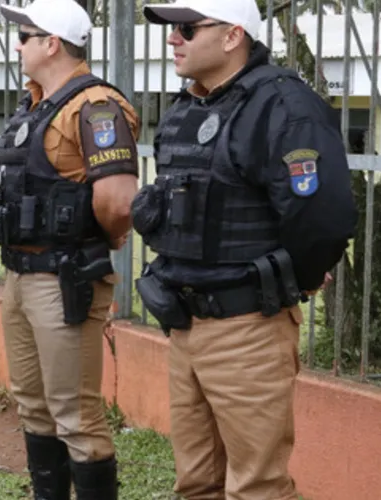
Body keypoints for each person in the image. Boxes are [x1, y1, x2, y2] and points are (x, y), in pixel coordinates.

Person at [134, 1, 358, 499]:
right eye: (174, 30)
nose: (174, 39)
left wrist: (297, 277)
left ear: (233, 35)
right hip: (185, 325)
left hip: (246, 328)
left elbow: (322, 217)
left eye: (188, 29)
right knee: (197, 483)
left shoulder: (283, 105)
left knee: (257, 488)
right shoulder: (188, 107)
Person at [0, 1, 140, 499]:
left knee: (75, 413)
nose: (18, 44)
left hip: (64, 279)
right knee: (33, 403)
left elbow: (117, 200)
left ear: (52, 43)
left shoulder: (95, 106)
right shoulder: (36, 104)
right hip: (21, 275)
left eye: (25, 36)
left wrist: (97, 242)